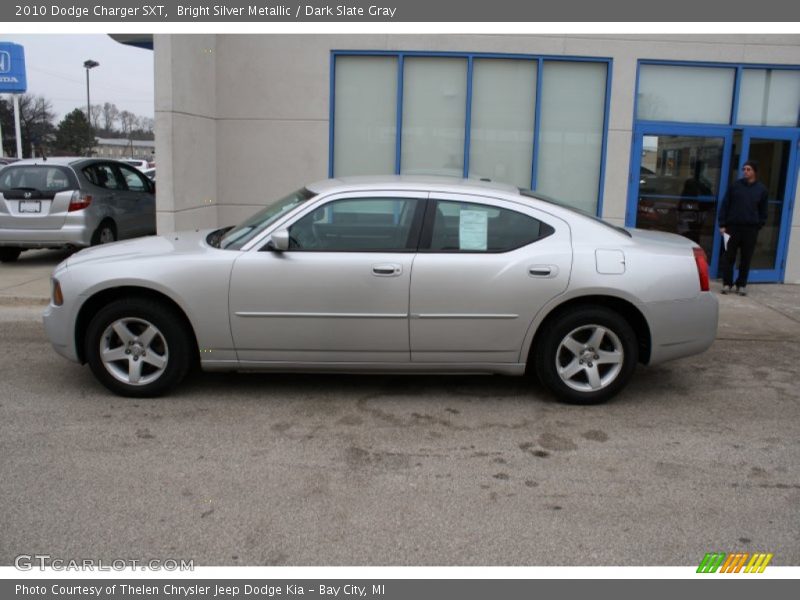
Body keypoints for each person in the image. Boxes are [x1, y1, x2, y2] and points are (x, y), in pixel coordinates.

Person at [718, 160, 768, 296]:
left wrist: (759, 224)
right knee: (729, 257)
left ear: (754, 172)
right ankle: (727, 284)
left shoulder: (761, 190)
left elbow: (763, 211)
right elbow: (725, 205)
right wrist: (722, 225)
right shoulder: (735, 186)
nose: (745, 171)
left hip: (750, 230)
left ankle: (741, 285)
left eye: (748, 169)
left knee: (746, 258)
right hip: (732, 228)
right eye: (744, 169)